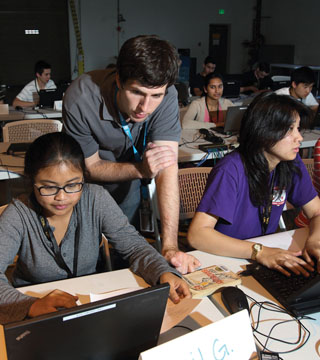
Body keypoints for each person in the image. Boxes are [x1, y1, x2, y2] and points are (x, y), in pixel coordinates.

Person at [0, 132, 190, 324]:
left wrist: (162, 271)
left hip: (86, 304)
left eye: (73, 185)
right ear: (31, 181)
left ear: (84, 177)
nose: (62, 197)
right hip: (35, 312)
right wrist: (31, 305)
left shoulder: (96, 199)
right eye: (49, 187)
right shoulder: (18, 214)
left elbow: (133, 246)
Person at [63, 35, 200, 274]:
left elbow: (167, 167)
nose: (144, 108)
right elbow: (91, 167)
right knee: (83, 259)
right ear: (118, 80)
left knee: (124, 253)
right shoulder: (81, 98)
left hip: (128, 181)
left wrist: (169, 246)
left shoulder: (167, 96)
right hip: (85, 183)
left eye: (155, 96)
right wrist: (141, 170)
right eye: (137, 93)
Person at [188, 93, 320, 276]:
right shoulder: (230, 169)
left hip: (263, 259)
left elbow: (317, 211)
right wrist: (259, 251)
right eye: (290, 129)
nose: (299, 138)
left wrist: (315, 240)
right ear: (265, 131)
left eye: (298, 129)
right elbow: (197, 235)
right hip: (228, 261)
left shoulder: (291, 161)